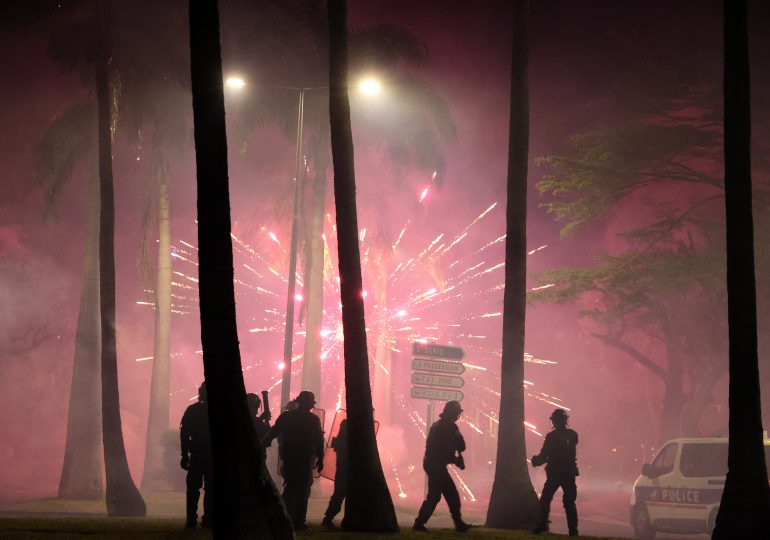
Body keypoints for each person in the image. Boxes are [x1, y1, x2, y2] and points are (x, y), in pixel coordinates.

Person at [262, 390, 324, 530]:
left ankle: (283, 518)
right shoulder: (313, 420)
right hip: (304, 458)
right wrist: (321, 458)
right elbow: (318, 440)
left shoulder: (287, 417)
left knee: (290, 488)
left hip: (289, 457)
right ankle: (298, 522)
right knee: (302, 490)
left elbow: (274, 432)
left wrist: (263, 443)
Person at [413, 400, 472, 533]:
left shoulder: (437, 425)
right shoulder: (450, 426)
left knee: (451, 494)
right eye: (457, 412)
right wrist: (457, 460)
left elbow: (442, 448)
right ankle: (419, 524)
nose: (458, 414)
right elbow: (461, 446)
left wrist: (455, 460)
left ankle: (459, 524)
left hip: (432, 463)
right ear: (453, 412)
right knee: (435, 496)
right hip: (436, 465)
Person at [531, 408, 579, 536]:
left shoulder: (551, 437)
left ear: (555, 421)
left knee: (545, 499)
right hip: (569, 473)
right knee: (569, 503)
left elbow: (544, 455)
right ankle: (573, 530)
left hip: (555, 473)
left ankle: (542, 524)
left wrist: (535, 461)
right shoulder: (573, 435)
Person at [180, 382, 213, 528]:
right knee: (211, 489)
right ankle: (208, 519)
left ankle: (191, 519)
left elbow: (184, 434)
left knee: (193, 489)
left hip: (197, 454)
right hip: (212, 456)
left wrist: (184, 454)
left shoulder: (192, 410)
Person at [321, 419, 348, 529]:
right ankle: (328, 518)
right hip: (345, 468)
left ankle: (328, 518)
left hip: (343, 467)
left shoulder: (346, 426)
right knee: (339, 494)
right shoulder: (349, 426)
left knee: (339, 494)